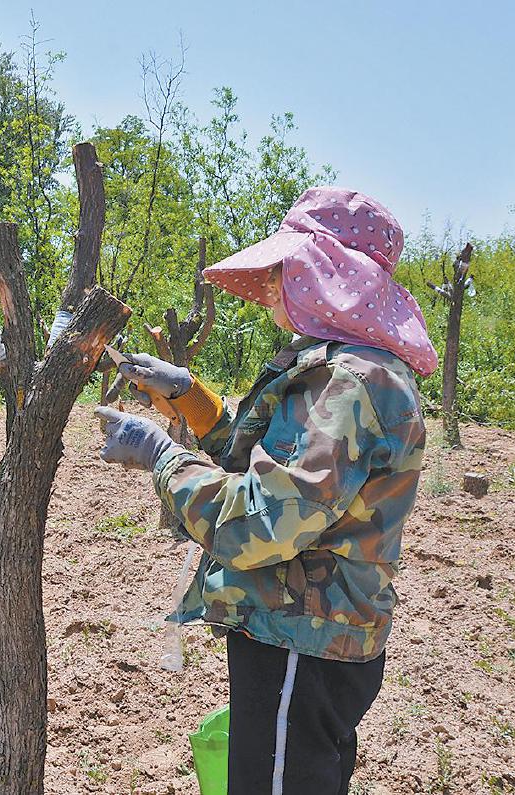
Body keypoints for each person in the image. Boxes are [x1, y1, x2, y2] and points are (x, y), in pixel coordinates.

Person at [96, 187, 435, 794]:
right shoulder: (357, 371)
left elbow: (263, 522)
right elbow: (281, 463)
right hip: (316, 635)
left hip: (302, 641)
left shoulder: (346, 385)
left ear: (328, 278)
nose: (275, 285)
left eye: (288, 270)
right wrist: (189, 399)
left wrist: (161, 457)